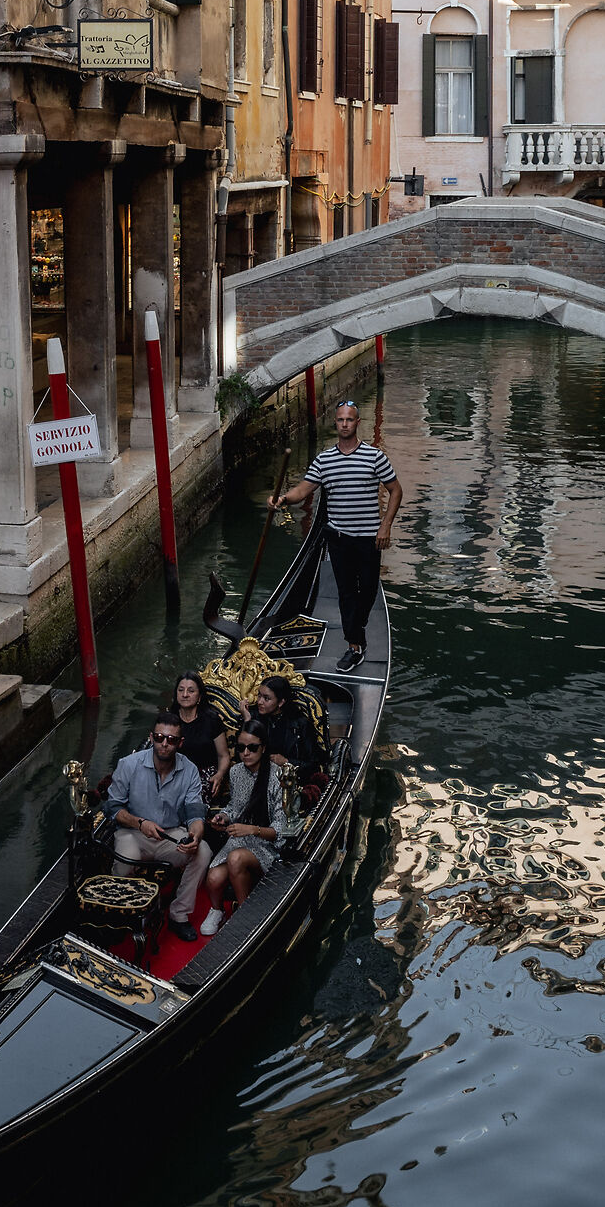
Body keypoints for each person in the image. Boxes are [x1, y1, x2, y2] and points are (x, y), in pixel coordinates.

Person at [279, 397, 401, 672]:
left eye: (349, 419)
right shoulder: (324, 460)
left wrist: (386, 525)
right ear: (336, 423)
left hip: (370, 538)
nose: (345, 424)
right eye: (340, 419)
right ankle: (354, 646)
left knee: (368, 591)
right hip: (339, 538)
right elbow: (302, 491)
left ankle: (357, 629)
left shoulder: (374, 457)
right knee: (347, 593)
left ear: (357, 423)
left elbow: (396, 490)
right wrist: (283, 499)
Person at [105, 719, 210, 940]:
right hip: (133, 832)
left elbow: (195, 813)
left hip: (169, 835)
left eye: (171, 740)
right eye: (160, 738)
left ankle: (178, 914)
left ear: (179, 743)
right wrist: (140, 823)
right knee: (126, 860)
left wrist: (195, 835)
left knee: (203, 851)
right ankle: (121, 915)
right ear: (151, 737)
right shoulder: (128, 764)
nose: (164, 744)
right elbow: (113, 807)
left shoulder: (189, 770)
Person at [199, 722, 288, 938]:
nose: (245, 753)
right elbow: (235, 807)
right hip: (240, 839)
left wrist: (252, 830)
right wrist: (224, 817)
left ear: (263, 748)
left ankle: (245, 918)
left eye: (252, 748)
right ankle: (217, 911)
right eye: (240, 748)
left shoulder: (278, 776)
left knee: (236, 859)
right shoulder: (236, 772)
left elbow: (281, 828)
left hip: (268, 843)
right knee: (213, 879)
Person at [238, 673, 325, 776]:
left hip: (290, 781)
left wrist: (286, 762)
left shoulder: (300, 723)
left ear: (281, 702)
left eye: (266, 698)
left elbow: (313, 765)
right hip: (258, 777)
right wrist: (247, 721)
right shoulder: (253, 717)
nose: (260, 702)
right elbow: (240, 754)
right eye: (259, 695)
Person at [165, 670, 230, 799]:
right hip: (174, 774)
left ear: (199, 696)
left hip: (205, 775)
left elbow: (223, 756)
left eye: (191, 691)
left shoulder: (212, 720)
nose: (185, 695)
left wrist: (219, 775)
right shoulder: (169, 720)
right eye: (181, 690)